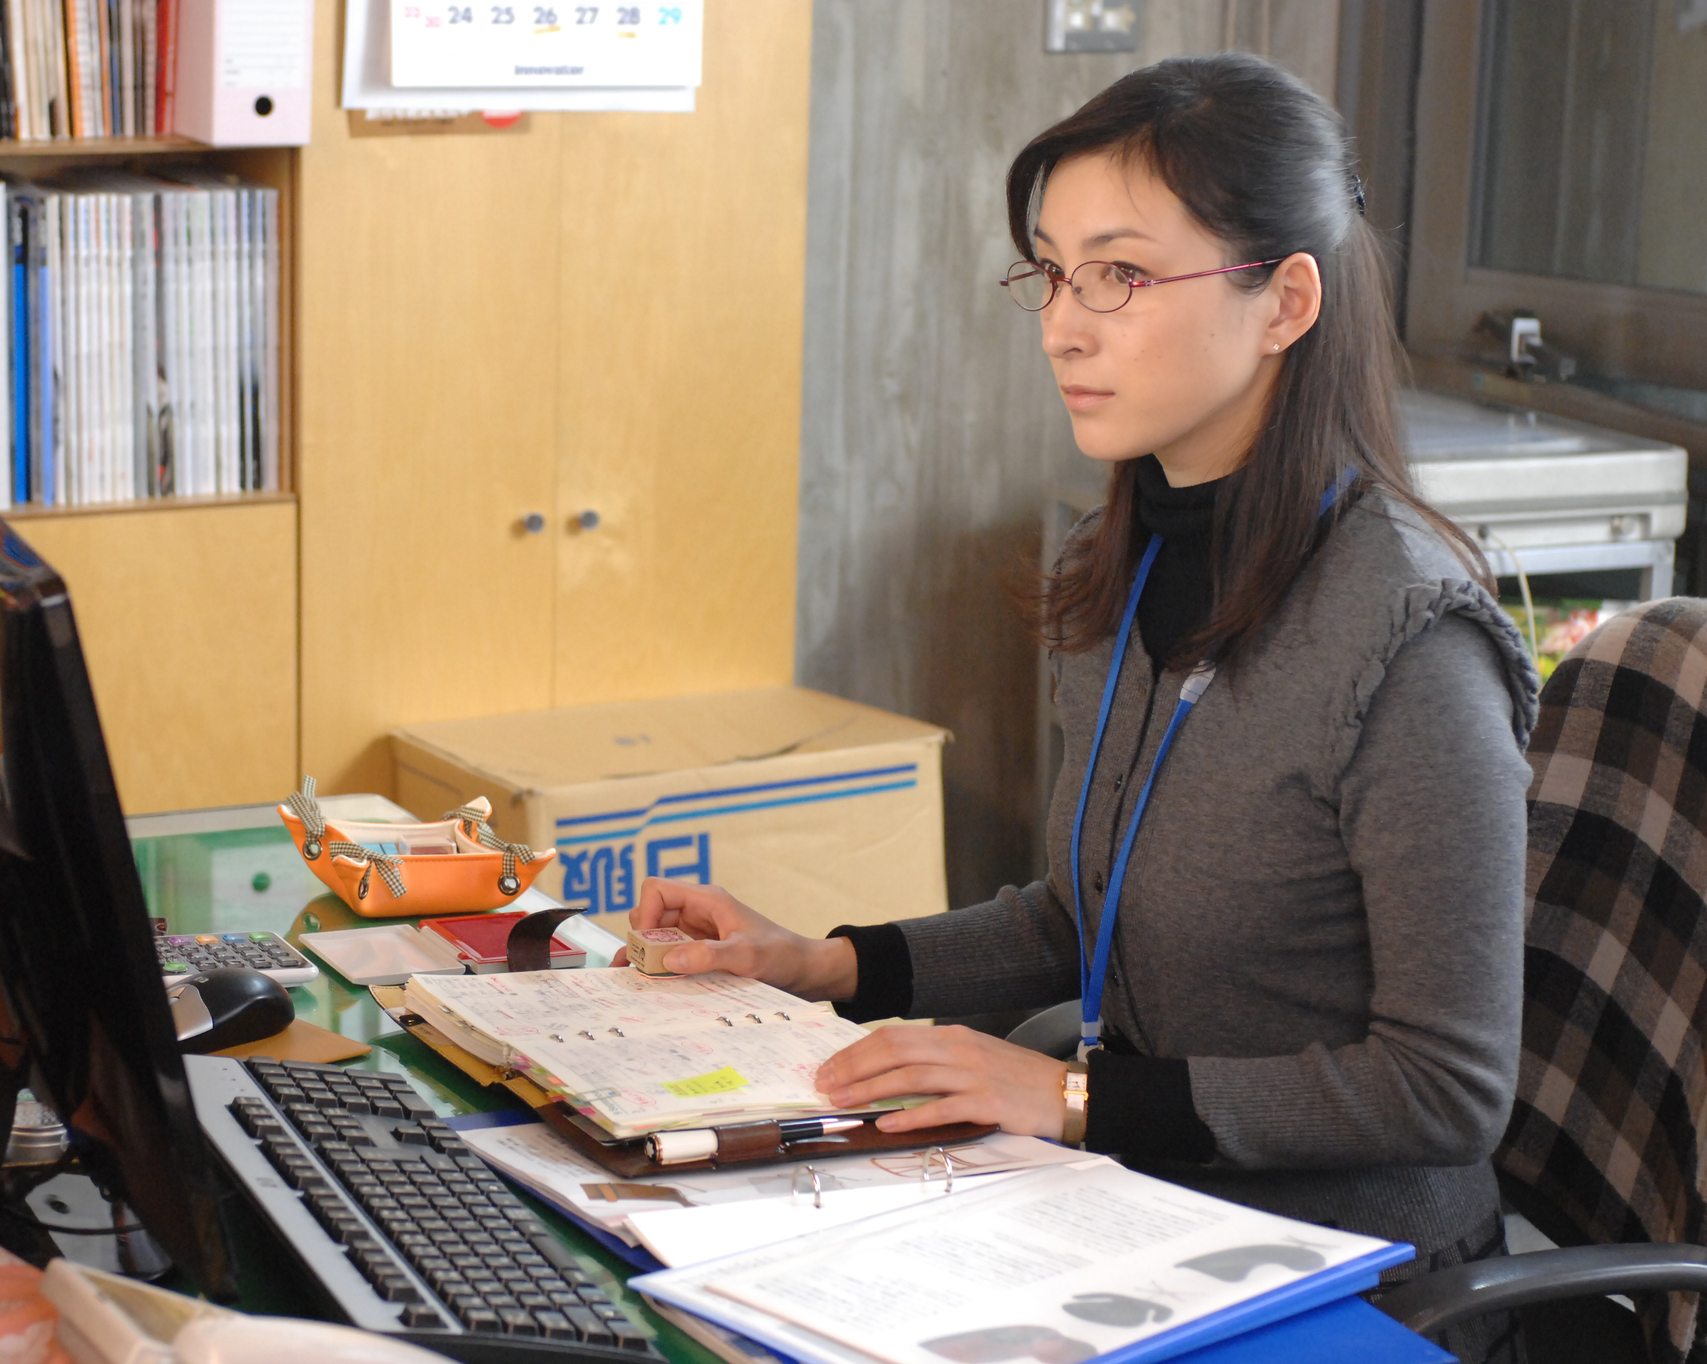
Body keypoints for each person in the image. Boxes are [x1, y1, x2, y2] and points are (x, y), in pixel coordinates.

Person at [617, 53, 1535, 1364]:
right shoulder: (1125, 572)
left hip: (1349, 1277)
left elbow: (1449, 1092)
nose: (1063, 323)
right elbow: (1081, 915)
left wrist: (1069, 1093)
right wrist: (828, 965)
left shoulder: (1410, 643)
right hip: (1130, 1214)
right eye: (1050, 272)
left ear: (1284, 300)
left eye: (1120, 274)